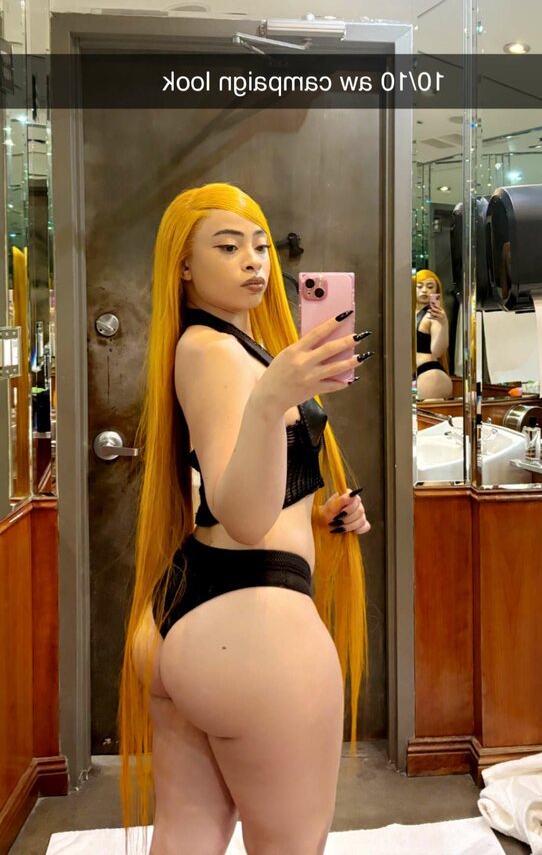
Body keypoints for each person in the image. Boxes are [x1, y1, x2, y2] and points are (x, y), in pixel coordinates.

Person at [118, 183, 372, 855]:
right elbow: (245, 518)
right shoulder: (214, 351)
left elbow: (239, 491)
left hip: (190, 610)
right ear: (184, 265)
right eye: (228, 248)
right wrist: (272, 399)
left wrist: (318, 514)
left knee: (185, 836)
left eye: (260, 246)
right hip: (252, 630)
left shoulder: (220, 347)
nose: (253, 261)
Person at [415, 269, 452, 401]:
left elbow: (438, 351)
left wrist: (443, 324)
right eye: (419, 286)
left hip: (430, 374)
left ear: (436, 291)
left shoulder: (434, 315)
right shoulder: (407, 313)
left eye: (430, 287)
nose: (424, 290)